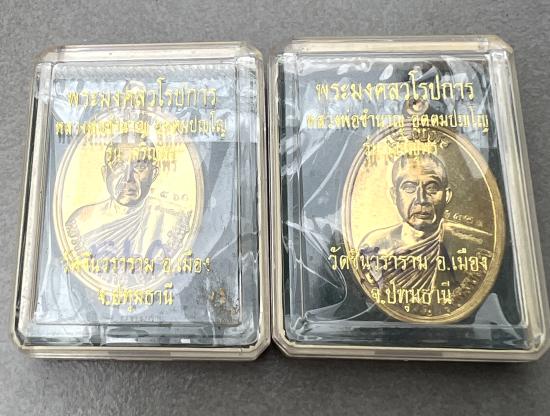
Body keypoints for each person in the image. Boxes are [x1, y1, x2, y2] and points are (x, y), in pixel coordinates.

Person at [359, 152, 491, 293]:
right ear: (394, 195)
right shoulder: (374, 247)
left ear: (447, 195)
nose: (421, 199)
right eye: (409, 187)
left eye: (432, 188)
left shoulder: (476, 246)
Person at [65, 136, 191, 281]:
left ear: (154, 174)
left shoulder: (172, 220)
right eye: (118, 165)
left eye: (140, 167)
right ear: (105, 173)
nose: (128, 178)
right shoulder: (80, 223)